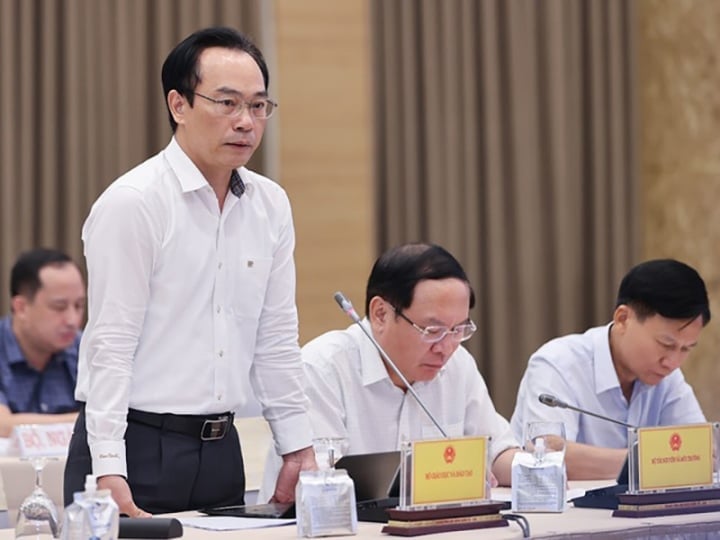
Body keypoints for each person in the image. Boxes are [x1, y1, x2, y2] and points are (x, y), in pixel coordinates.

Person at [64, 27, 315, 516]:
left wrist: (297, 443)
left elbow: (276, 338)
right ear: (178, 105)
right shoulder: (134, 203)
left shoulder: (270, 205)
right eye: (227, 103)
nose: (245, 121)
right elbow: (110, 346)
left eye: (259, 105)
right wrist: (108, 465)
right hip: (134, 445)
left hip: (222, 449)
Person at [259, 243, 519, 500]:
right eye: (433, 331)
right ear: (381, 313)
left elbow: (498, 453)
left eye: (458, 330)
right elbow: (322, 485)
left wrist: (541, 466)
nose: (446, 347)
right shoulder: (322, 369)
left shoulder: (458, 365)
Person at [510, 258, 711, 480]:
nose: (672, 362)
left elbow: (701, 453)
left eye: (686, 349)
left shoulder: (667, 377)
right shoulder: (557, 363)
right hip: (567, 514)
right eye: (666, 344)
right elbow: (547, 454)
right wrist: (652, 462)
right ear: (623, 318)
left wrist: (680, 459)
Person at [0, 248, 85, 437]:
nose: (72, 320)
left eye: (79, 305)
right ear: (21, 307)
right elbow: (2, 427)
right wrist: (85, 421)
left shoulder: (86, 350)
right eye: (59, 307)